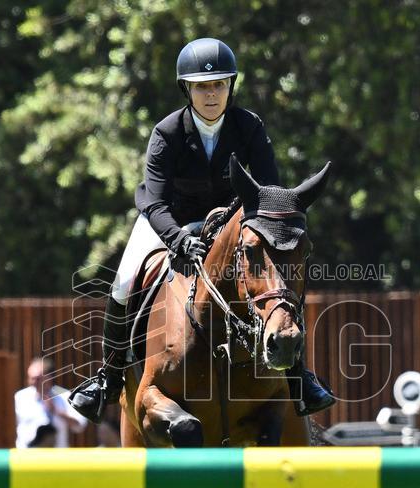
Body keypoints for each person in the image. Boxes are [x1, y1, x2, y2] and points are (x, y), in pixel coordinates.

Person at [69, 37, 335, 423]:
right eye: (202, 87)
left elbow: (268, 195)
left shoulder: (249, 127)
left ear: (230, 86)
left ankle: (298, 379)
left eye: (219, 85)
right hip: (169, 223)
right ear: (187, 90)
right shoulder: (167, 133)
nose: (211, 94)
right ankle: (108, 377)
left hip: (231, 225)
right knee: (124, 281)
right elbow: (154, 201)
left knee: (280, 278)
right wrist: (178, 238)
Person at [15, 357, 87, 448]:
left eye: (38, 379)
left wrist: (57, 411)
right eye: (31, 378)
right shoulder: (20, 397)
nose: (34, 383)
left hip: (56, 457)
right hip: (28, 456)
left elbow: (79, 426)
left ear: (49, 377)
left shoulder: (64, 395)